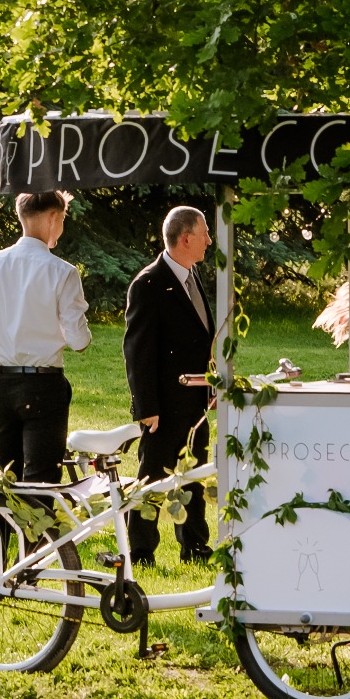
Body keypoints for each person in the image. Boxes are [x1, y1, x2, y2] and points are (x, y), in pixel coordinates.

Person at [0, 189, 91, 493]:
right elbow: (80, 341)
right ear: (52, 218)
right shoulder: (63, 272)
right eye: (63, 219)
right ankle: (38, 542)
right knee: (41, 481)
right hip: (44, 385)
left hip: (0, 383)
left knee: (3, 479)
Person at [123, 205, 215, 566]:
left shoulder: (193, 277)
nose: (209, 240)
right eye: (204, 232)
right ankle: (141, 551)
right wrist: (146, 408)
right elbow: (137, 349)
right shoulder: (148, 283)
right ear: (186, 237)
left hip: (195, 401)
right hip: (163, 404)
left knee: (193, 476)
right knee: (152, 480)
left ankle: (194, 547)